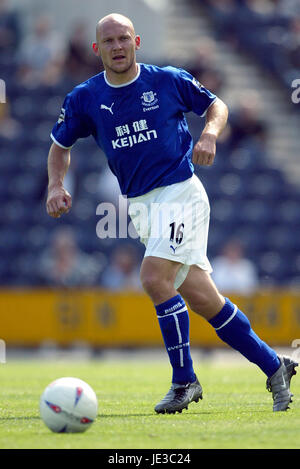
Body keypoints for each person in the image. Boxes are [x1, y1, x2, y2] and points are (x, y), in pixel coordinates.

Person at [46, 13, 297, 413]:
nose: (117, 46)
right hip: (142, 207)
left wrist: (210, 133)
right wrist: (56, 185)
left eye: (123, 38)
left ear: (137, 41)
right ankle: (274, 365)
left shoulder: (166, 79)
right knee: (203, 300)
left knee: (152, 278)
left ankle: (185, 382)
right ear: (97, 49)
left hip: (181, 193)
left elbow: (217, 105)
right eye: (108, 41)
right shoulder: (84, 97)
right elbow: (60, 146)